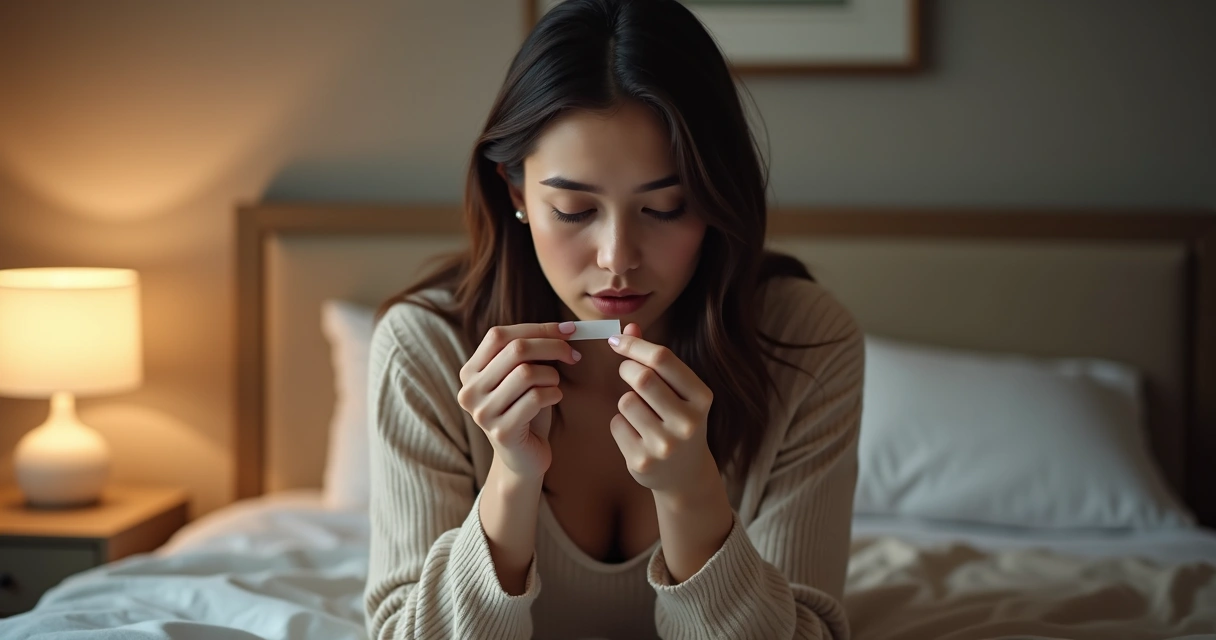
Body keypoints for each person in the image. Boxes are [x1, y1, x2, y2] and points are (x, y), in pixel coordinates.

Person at [363, 0, 864, 638]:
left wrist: (692, 497)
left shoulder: (803, 342)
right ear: (517, 194)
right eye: (574, 209)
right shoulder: (424, 348)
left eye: (665, 208)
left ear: (713, 199)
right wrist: (511, 480)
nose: (617, 260)